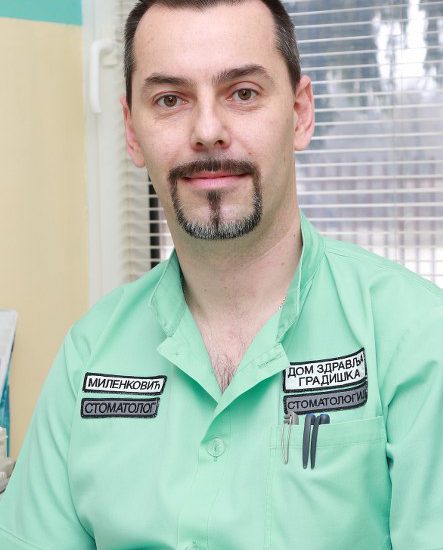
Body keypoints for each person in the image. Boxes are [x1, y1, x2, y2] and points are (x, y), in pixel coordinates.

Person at [0, 0, 442, 547]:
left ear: (301, 114)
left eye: (244, 93)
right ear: (132, 132)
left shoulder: (417, 341)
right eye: (170, 99)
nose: (208, 131)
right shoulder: (88, 355)